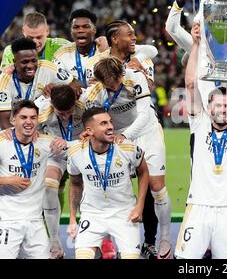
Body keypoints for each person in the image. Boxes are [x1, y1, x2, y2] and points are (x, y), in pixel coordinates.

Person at [174, 23, 227, 259]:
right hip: (198, 206)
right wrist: (197, 44)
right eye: (218, 105)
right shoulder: (198, 123)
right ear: (208, 106)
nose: (223, 109)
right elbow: (190, 84)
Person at [82, 56, 172, 259]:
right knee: (114, 185)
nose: (112, 89)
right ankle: (108, 240)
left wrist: (124, 136)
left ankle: (165, 237)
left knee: (156, 186)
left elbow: (145, 115)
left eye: (115, 84)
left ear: (121, 75)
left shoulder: (135, 78)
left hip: (147, 132)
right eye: (108, 86)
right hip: (117, 136)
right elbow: (90, 118)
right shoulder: (95, 92)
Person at [67, 107, 148, 259]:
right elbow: (75, 183)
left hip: (124, 214)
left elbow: (143, 171)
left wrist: (139, 206)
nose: (110, 126)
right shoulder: (76, 152)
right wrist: (72, 217)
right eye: (103, 123)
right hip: (92, 214)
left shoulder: (127, 147)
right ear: (90, 130)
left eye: (110, 122)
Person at [0, 100, 66, 258]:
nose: (29, 122)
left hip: (36, 222)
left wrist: (65, 142)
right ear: (12, 120)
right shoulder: (2, 142)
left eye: (33, 118)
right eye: (23, 117)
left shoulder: (46, 143)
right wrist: (8, 181)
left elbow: (82, 149)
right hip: (7, 220)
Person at [33, 84, 86, 258]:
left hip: (82, 150)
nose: (64, 117)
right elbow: (28, 132)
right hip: (55, 153)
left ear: (76, 102)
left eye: (69, 112)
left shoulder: (87, 103)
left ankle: (94, 240)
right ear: (51, 103)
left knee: (89, 194)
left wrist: (70, 143)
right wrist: (48, 141)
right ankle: (55, 242)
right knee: (48, 188)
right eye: (60, 113)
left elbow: (98, 131)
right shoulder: (40, 108)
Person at [0, 38, 73, 129]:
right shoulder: (4, 81)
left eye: (34, 61)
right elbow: (5, 124)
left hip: (44, 129)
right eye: (25, 62)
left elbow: (76, 85)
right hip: (16, 130)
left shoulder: (47, 67)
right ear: (15, 62)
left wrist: (58, 88)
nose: (30, 66)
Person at [53, 9, 107, 89]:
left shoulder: (104, 50)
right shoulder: (61, 55)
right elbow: (55, 80)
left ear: (94, 30)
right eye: (76, 27)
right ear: (71, 31)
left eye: (86, 26)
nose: (80, 30)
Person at [1, 12, 69, 68]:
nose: (35, 42)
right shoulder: (11, 52)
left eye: (39, 37)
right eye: (30, 37)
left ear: (47, 31)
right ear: (23, 31)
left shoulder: (64, 47)